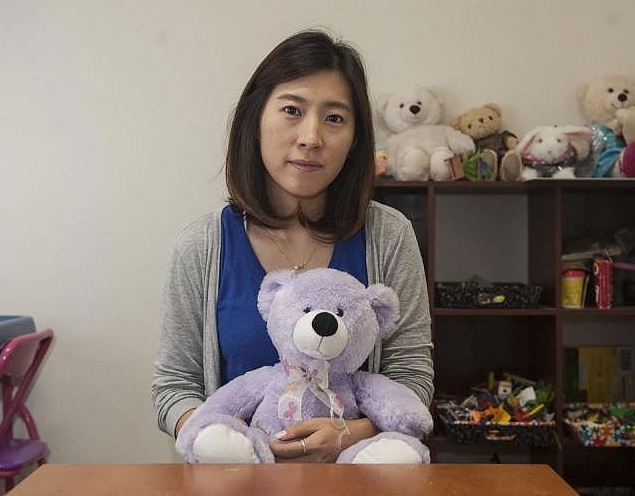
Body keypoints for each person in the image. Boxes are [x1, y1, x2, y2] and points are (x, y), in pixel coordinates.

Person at [152, 29, 433, 463]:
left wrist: (354, 433)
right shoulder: (201, 246)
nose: (311, 137)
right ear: (255, 119)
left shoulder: (389, 234)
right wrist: (224, 443)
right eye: (291, 110)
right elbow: (174, 384)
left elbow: (411, 373)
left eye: (334, 118)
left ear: (356, 139)